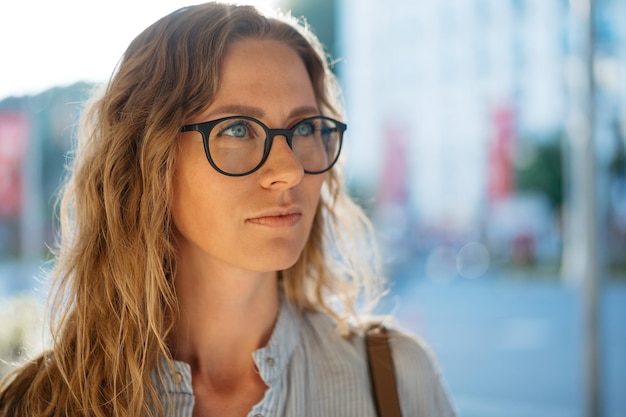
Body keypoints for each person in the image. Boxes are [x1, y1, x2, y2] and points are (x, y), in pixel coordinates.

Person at [0, 2, 455, 416]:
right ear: (146, 162)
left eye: (305, 128)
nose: (289, 170)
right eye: (237, 129)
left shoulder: (393, 379)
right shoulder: (41, 404)